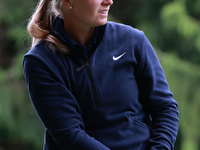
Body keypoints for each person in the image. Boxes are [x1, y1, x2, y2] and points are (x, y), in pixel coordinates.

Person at [23, 0, 179, 149]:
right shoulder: (40, 61)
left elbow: (165, 108)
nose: (109, 1)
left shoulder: (132, 41)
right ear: (67, 1)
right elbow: (70, 136)